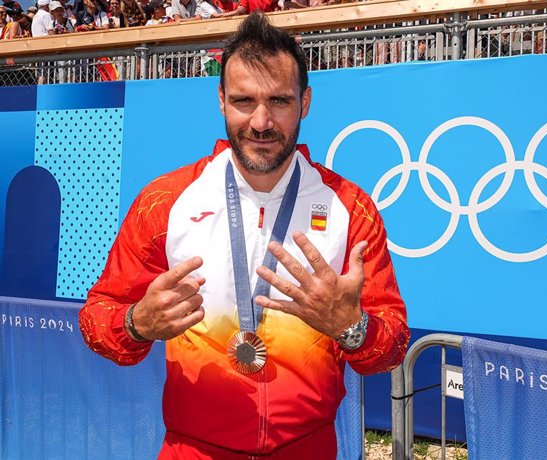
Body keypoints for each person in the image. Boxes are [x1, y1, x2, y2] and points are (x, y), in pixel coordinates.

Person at [79, 11, 409, 459]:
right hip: (192, 449)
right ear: (220, 100)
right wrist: (136, 324)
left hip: (308, 448)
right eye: (242, 101)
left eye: (279, 101)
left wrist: (352, 328)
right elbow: (97, 318)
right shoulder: (166, 200)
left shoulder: (350, 207)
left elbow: (390, 348)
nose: (260, 122)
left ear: (304, 102)